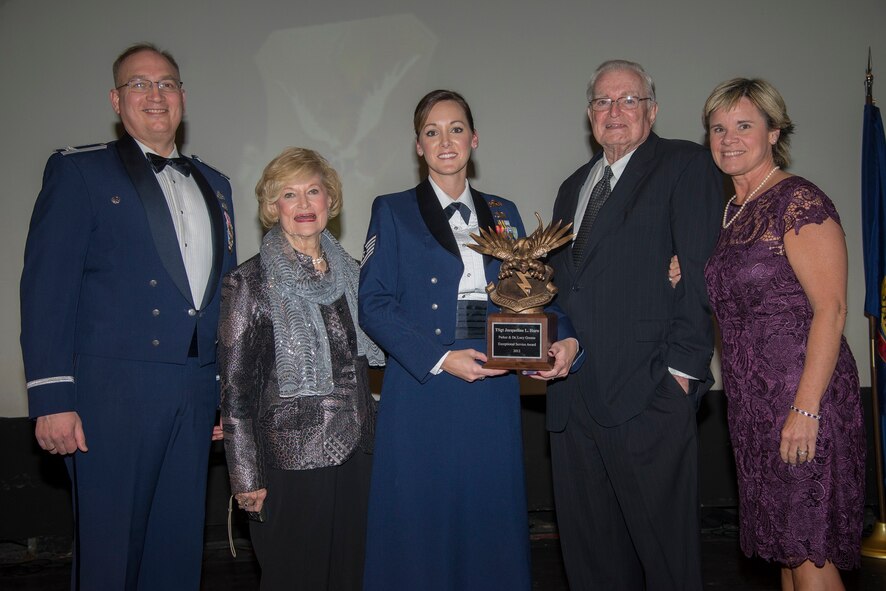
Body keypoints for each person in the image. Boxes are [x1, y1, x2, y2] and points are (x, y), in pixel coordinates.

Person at [19, 43, 237, 589]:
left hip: (192, 394)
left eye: (166, 83)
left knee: (178, 550)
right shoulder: (79, 172)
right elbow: (47, 290)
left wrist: (223, 392)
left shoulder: (217, 184)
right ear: (117, 100)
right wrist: (52, 399)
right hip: (111, 397)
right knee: (109, 557)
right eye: (139, 84)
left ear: (183, 96)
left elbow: (222, 299)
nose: (155, 95)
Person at [359, 89, 581, 590]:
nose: (445, 140)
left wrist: (565, 340)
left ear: (474, 139)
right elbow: (373, 303)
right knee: (418, 527)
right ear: (418, 145)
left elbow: (534, 291)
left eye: (456, 128)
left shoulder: (504, 211)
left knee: (490, 524)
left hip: (492, 386)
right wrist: (440, 358)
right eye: (432, 131)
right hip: (423, 389)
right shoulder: (392, 210)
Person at [545, 60, 722, 590]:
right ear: (589, 114)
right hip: (573, 404)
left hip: (649, 398)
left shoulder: (686, 165)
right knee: (592, 564)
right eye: (602, 101)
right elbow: (562, 287)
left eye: (628, 100)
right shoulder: (571, 187)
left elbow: (698, 274)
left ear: (652, 110)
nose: (614, 111)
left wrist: (681, 376)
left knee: (668, 565)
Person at [699, 78, 865, 590]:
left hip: (803, 400)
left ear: (774, 132)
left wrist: (806, 407)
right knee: (789, 555)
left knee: (811, 556)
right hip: (755, 408)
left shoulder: (797, 201)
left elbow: (831, 309)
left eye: (744, 126)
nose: (729, 138)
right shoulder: (733, 212)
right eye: (718, 128)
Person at [219, 147, 383, 590]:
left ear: (331, 199)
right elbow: (235, 391)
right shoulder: (248, 282)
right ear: (274, 208)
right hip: (291, 459)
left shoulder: (355, 273)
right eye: (290, 195)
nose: (305, 204)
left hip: (359, 453)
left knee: (352, 576)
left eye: (314, 191)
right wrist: (245, 477)